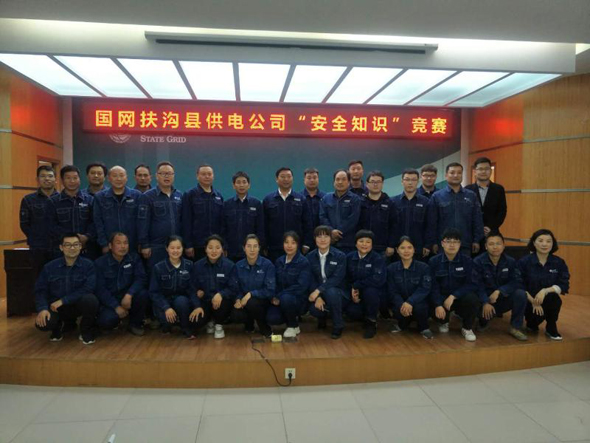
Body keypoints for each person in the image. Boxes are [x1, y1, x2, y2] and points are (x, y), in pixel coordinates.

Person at [34, 233, 99, 344]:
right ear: (61, 247)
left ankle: (85, 330)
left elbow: (88, 288)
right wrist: (42, 308)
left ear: (80, 246)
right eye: (68, 245)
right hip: (55, 307)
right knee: (44, 323)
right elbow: (40, 290)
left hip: (77, 305)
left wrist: (63, 300)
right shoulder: (49, 267)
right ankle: (56, 327)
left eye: (75, 244)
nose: (72, 248)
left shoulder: (88, 265)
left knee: (91, 300)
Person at [473, 232, 528, 341]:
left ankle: (515, 327)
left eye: (498, 243)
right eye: (491, 244)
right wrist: (485, 302)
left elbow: (516, 281)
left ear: (503, 245)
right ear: (486, 246)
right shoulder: (477, 262)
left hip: (502, 298)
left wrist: (499, 291)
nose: (495, 247)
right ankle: (483, 321)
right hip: (483, 300)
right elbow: (477, 285)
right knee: (477, 307)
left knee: (520, 294)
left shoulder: (510, 261)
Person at [429, 228, 480, 342]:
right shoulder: (433, 261)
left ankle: (467, 328)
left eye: (455, 241)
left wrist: (454, 296)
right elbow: (433, 286)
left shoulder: (467, 261)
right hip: (441, 298)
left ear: (460, 244)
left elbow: (472, 284)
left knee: (473, 299)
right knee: (428, 301)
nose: (452, 245)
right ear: (442, 243)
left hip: (459, 298)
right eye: (448, 241)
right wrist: (438, 304)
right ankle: (443, 321)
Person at [149, 236, 205, 339]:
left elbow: (192, 289)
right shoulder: (158, 267)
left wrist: (197, 306)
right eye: (172, 248)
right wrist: (166, 307)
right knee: (167, 322)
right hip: (164, 302)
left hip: (182, 302)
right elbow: (154, 292)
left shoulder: (189, 265)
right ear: (167, 249)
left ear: (183, 248)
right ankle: (167, 325)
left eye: (178, 248)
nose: (175, 251)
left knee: (182, 301)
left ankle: (185, 327)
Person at [518, 229, 570, 340]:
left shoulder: (559, 262)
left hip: (547, 299)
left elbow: (564, 284)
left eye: (548, 241)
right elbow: (518, 285)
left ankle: (551, 327)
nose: (544, 244)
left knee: (554, 298)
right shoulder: (524, 262)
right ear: (534, 243)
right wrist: (534, 301)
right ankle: (531, 323)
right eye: (540, 241)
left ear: (553, 244)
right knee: (532, 322)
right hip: (528, 300)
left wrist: (545, 291)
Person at [94, 232, 148, 336]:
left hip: (128, 297)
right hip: (110, 300)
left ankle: (135, 324)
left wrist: (129, 294)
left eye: (125, 243)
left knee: (143, 294)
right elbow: (100, 289)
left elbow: (141, 278)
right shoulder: (100, 263)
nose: (123, 246)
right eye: (118, 243)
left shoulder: (134, 258)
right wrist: (116, 306)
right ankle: (117, 320)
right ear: (110, 246)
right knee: (106, 321)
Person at [430, 162, 484, 256]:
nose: (456, 175)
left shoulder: (471, 196)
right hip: (443, 244)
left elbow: (477, 220)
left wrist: (476, 240)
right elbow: (432, 222)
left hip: (465, 243)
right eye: (452, 172)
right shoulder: (437, 196)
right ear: (446, 175)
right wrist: (433, 242)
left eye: (459, 173)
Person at [138, 161, 183, 269]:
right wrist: (144, 245)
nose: (166, 176)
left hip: (176, 247)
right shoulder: (147, 196)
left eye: (169, 173)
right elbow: (142, 222)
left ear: (173, 176)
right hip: (156, 247)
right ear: (157, 176)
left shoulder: (179, 195)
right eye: (163, 173)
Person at [267, 231, 312, 339]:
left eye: (293, 242)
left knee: (286, 298)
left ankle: (293, 325)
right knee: (272, 318)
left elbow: (301, 287)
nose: (289, 246)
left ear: (298, 244)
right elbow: (274, 282)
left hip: (298, 299)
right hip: (280, 299)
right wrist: (274, 296)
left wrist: (280, 296)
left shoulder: (303, 262)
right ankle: (289, 320)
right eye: (286, 242)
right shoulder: (279, 261)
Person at [387, 236, 434, 339]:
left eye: (409, 247)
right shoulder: (391, 268)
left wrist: (410, 302)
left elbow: (424, 288)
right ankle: (402, 324)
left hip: (418, 302)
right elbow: (392, 291)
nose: (406, 251)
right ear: (397, 250)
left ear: (414, 250)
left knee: (420, 308)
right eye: (402, 248)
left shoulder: (424, 267)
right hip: (401, 302)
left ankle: (424, 327)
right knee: (398, 308)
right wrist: (402, 304)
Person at [192, 235, 237, 339]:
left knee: (223, 302)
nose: (214, 251)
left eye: (217, 247)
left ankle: (219, 325)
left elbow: (233, 288)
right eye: (210, 247)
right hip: (205, 301)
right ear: (205, 249)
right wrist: (197, 305)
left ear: (222, 249)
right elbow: (192, 288)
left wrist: (221, 294)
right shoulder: (197, 266)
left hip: (221, 302)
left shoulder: (230, 265)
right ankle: (209, 321)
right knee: (196, 321)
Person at [263, 167, 312, 262]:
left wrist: (307, 243)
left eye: (289, 176)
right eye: (282, 176)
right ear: (276, 179)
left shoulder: (301, 199)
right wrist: (264, 245)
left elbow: (307, 223)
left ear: (292, 179)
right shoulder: (268, 199)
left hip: (296, 246)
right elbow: (263, 224)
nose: (286, 179)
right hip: (274, 247)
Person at [307, 225, 347, 339]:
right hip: (319, 292)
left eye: (326, 236)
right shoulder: (309, 257)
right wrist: (318, 297)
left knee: (331, 292)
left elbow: (337, 279)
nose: (323, 239)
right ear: (315, 239)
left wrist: (318, 291)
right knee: (314, 310)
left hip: (338, 292)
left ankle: (338, 325)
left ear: (331, 238)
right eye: (319, 236)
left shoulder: (340, 256)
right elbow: (310, 279)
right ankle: (322, 317)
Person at [345, 230, 387, 339]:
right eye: (361, 241)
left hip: (373, 292)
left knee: (370, 292)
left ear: (372, 244)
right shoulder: (349, 257)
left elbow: (377, 280)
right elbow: (345, 278)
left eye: (368, 242)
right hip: (354, 292)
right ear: (355, 244)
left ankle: (372, 322)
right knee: (352, 312)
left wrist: (356, 285)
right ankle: (363, 317)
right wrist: (352, 289)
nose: (364, 244)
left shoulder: (378, 258)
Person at [232, 234, 275, 337]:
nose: (252, 250)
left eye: (255, 246)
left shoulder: (268, 265)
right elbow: (236, 288)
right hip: (244, 301)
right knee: (235, 315)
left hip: (263, 301)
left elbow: (270, 290)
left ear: (259, 248)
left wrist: (251, 294)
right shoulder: (238, 266)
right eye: (249, 246)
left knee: (252, 303)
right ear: (244, 248)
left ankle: (263, 326)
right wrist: (237, 299)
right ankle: (249, 324)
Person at [19, 165, 59, 277]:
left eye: (50, 176)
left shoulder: (62, 198)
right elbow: (24, 224)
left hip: (59, 247)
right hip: (37, 248)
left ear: (55, 179)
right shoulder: (28, 199)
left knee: (58, 277)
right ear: (37, 179)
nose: (47, 179)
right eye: (43, 176)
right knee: (38, 278)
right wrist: (36, 238)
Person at [48, 165, 95, 258]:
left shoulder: (90, 200)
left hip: (86, 248)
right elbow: (51, 225)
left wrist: (86, 237)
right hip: (61, 250)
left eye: (75, 178)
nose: (72, 181)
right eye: (68, 178)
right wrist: (71, 239)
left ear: (79, 180)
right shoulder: (53, 201)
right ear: (62, 181)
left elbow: (95, 222)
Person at [93, 166, 142, 254]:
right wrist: (104, 244)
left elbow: (141, 222)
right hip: (109, 245)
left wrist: (141, 242)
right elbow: (98, 222)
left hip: (132, 244)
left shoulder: (136, 195)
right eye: (115, 176)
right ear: (109, 178)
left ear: (126, 178)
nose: (118, 179)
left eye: (121, 175)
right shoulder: (100, 197)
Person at [391, 168, 436, 261]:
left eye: (413, 180)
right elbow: (390, 226)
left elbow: (430, 225)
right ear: (402, 182)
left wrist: (428, 245)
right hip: (397, 248)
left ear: (418, 182)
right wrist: (390, 245)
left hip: (419, 248)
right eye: (407, 179)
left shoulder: (426, 202)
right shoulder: (393, 201)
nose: (410, 183)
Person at [182, 164, 224, 261]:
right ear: (197, 176)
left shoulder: (218, 196)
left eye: (209, 174)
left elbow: (222, 222)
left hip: (215, 245)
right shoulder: (190, 195)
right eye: (203, 174)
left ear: (213, 176)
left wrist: (222, 244)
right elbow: (186, 221)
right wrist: (188, 244)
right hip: (197, 245)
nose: (207, 176)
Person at [222, 171, 265, 263]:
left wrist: (259, 247)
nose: (241, 185)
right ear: (233, 185)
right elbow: (223, 228)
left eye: (244, 182)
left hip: (251, 251)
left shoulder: (256, 204)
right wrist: (224, 246)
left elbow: (260, 228)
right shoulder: (227, 204)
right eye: (238, 182)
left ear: (249, 185)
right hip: (231, 251)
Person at [465, 157, 507, 243]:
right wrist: (477, 228)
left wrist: (491, 227)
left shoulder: (498, 189)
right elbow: (465, 212)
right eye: (480, 169)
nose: (483, 171)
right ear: (475, 171)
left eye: (487, 169)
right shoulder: (467, 189)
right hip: (472, 234)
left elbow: (502, 211)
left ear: (490, 171)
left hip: (492, 233)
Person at [319, 169, 362, 253]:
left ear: (349, 182)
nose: (340, 182)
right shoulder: (326, 198)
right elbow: (322, 217)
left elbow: (353, 219)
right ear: (334, 182)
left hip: (348, 243)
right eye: (337, 179)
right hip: (329, 242)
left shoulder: (355, 199)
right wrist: (331, 231)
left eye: (343, 179)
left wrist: (337, 233)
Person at [359, 170, 396, 257]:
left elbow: (394, 226)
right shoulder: (360, 202)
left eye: (378, 182)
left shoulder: (390, 203)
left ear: (382, 184)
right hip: (362, 246)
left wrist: (391, 245)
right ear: (367, 184)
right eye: (372, 182)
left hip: (383, 248)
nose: (375, 184)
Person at [301, 167, 326, 236]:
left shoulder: (325, 197)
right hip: (303, 236)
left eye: (314, 178)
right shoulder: (299, 198)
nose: (312, 180)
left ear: (318, 179)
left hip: (322, 236)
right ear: (304, 180)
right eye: (309, 178)